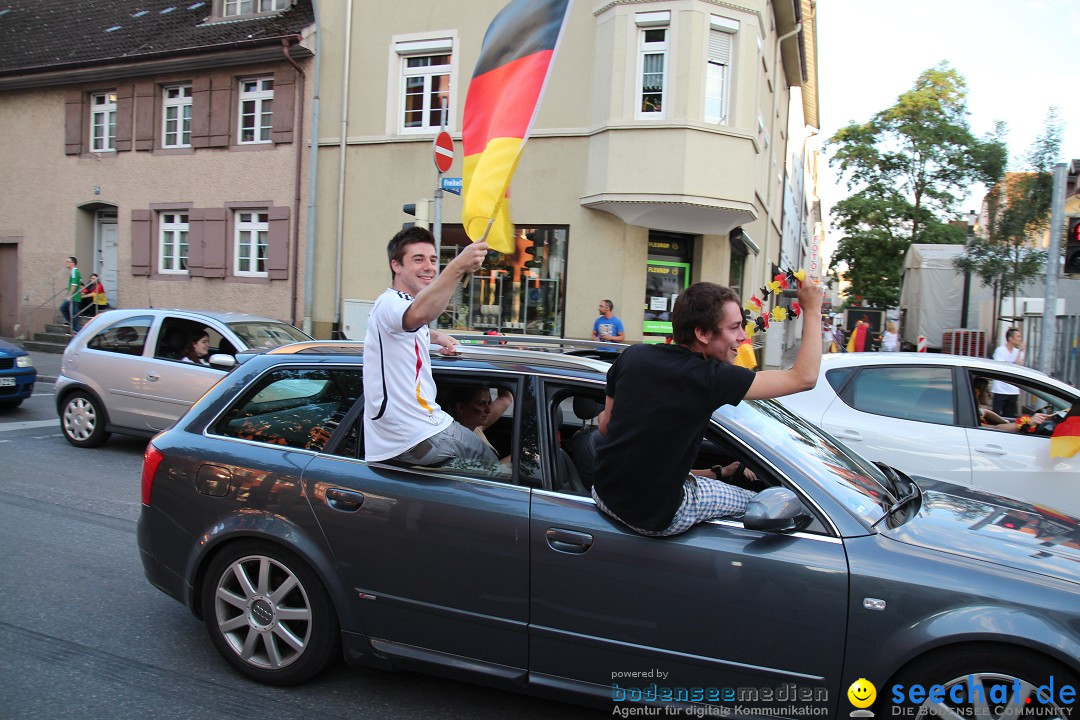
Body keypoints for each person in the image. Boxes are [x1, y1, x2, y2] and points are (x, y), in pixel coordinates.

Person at [591, 279, 824, 537]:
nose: (743, 336)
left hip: (603, 495)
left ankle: (720, 473)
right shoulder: (711, 377)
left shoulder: (632, 356)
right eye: (734, 327)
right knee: (756, 501)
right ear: (702, 333)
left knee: (680, 473)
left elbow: (605, 426)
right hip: (656, 516)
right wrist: (812, 309)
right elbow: (804, 377)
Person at [363, 227, 492, 466]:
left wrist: (436, 336)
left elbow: (411, 325)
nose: (429, 267)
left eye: (433, 260)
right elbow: (420, 314)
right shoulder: (392, 303)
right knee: (494, 465)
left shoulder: (395, 308)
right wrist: (458, 266)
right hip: (418, 433)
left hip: (401, 437)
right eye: (418, 259)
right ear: (396, 266)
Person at [447, 385, 514, 459]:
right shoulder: (457, 444)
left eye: (488, 403)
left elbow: (505, 398)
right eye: (481, 404)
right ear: (460, 408)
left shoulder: (476, 428)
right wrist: (520, 456)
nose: (488, 410)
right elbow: (493, 469)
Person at [972, 377, 1047, 432]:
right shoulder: (969, 415)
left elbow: (986, 412)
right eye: (986, 391)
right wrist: (1027, 423)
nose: (989, 395)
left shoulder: (973, 411)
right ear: (977, 393)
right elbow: (995, 429)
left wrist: (1005, 422)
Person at [992, 328, 1025, 418]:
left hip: (1013, 389)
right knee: (996, 416)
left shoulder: (1018, 352)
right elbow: (1002, 367)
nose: (1020, 339)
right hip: (1000, 389)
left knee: (1010, 417)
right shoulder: (1000, 350)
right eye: (1018, 336)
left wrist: (1019, 351)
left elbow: (1019, 365)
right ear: (1010, 338)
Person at [59, 256, 82, 331]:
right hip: (72, 296)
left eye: (68, 262)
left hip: (74, 296)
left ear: (73, 263)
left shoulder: (75, 271)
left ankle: (77, 329)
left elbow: (74, 285)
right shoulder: (73, 272)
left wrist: (69, 295)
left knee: (74, 314)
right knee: (63, 308)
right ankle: (72, 324)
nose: (66, 263)